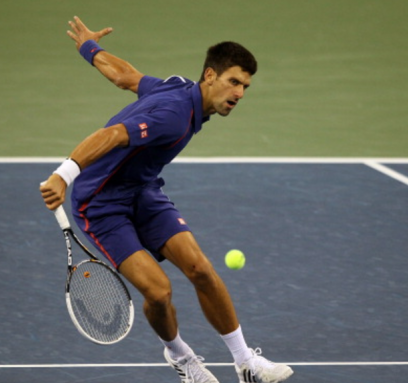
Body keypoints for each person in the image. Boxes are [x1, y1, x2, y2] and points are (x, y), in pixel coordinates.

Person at [40, 16, 293, 383]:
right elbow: (112, 135)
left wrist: (89, 47)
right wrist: (63, 175)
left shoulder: (176, 87)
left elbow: (126, 76)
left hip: (143, 190)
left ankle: (246, 363)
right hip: (100, 204)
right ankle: (181, 357)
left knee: (201, 270)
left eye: (246, 87)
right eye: (233, 82)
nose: (239, 94)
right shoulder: (174, 116)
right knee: (159, 292)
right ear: (210, 76)